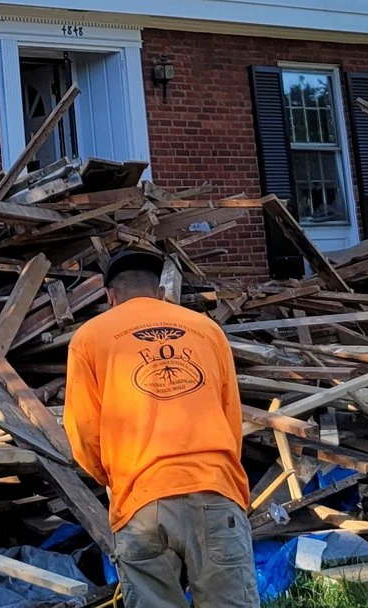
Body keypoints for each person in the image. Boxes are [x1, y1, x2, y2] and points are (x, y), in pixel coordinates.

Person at [63, 249, 258, 608]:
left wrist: (112, 477)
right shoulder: (207, 331)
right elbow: (231, 417)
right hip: (214, 491)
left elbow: (83, 431)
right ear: (159, 292)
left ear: (110, 296)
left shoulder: (89, 339)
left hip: (141, 501)